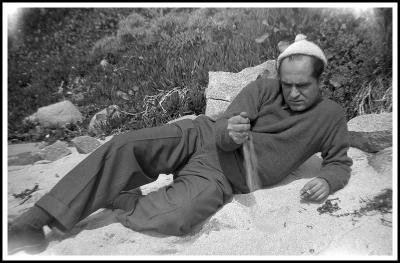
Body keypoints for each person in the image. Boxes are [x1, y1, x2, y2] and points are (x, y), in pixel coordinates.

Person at [8, 39, 353, 255]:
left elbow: (339, 162)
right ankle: (32, 223)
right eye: (287, 84)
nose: (292, 93)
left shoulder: (330, 116)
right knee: (125, 144)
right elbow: (221, 128)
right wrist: (229, 133)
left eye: (302, 85)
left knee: (175, 217)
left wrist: (327, 180)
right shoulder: (264, 88)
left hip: (220, 176)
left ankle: (122, 200)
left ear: (319, 80)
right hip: (200, 136)